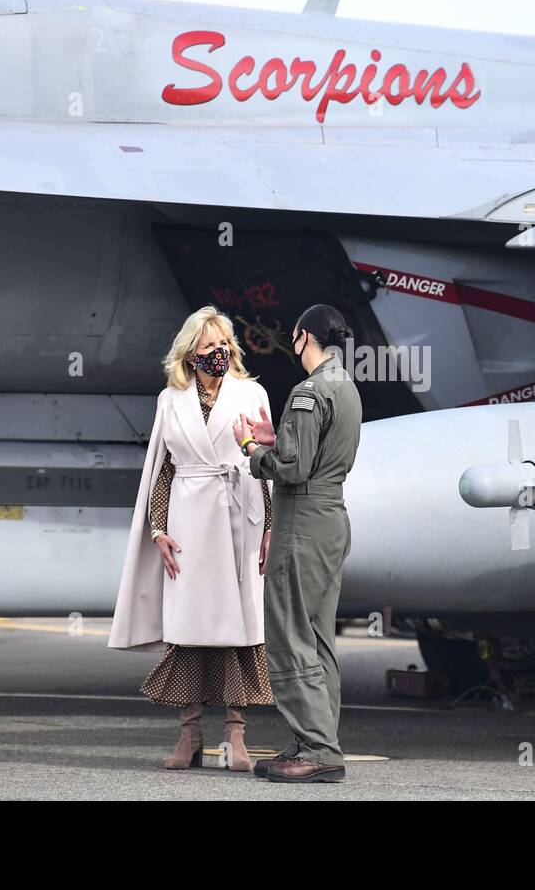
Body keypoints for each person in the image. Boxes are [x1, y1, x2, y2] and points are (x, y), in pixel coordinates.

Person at [108, 306, 275, 773]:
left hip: (239, 517)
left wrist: (268, 528)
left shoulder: (252, 392)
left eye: (224, 344)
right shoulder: (171, 400)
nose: (218, 352)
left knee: (240, 626)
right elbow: (161, 470)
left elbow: (264, 463)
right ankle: (190, 734)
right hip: (187, 522)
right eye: (209, 347)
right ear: (191, 354)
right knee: (188, 628)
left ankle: (235, 737)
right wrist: (158, 529)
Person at [233, 304, 362, 783]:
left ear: (302, 337)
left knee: (289, 634)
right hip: (331, 519)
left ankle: (319, 749)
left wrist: (251, 447)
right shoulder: (345, 387)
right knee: (318, 635)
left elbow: (291, 468)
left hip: (302, 521)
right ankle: (314, 739)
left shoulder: (308, 392)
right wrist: (279, 438)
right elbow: (311, 449)